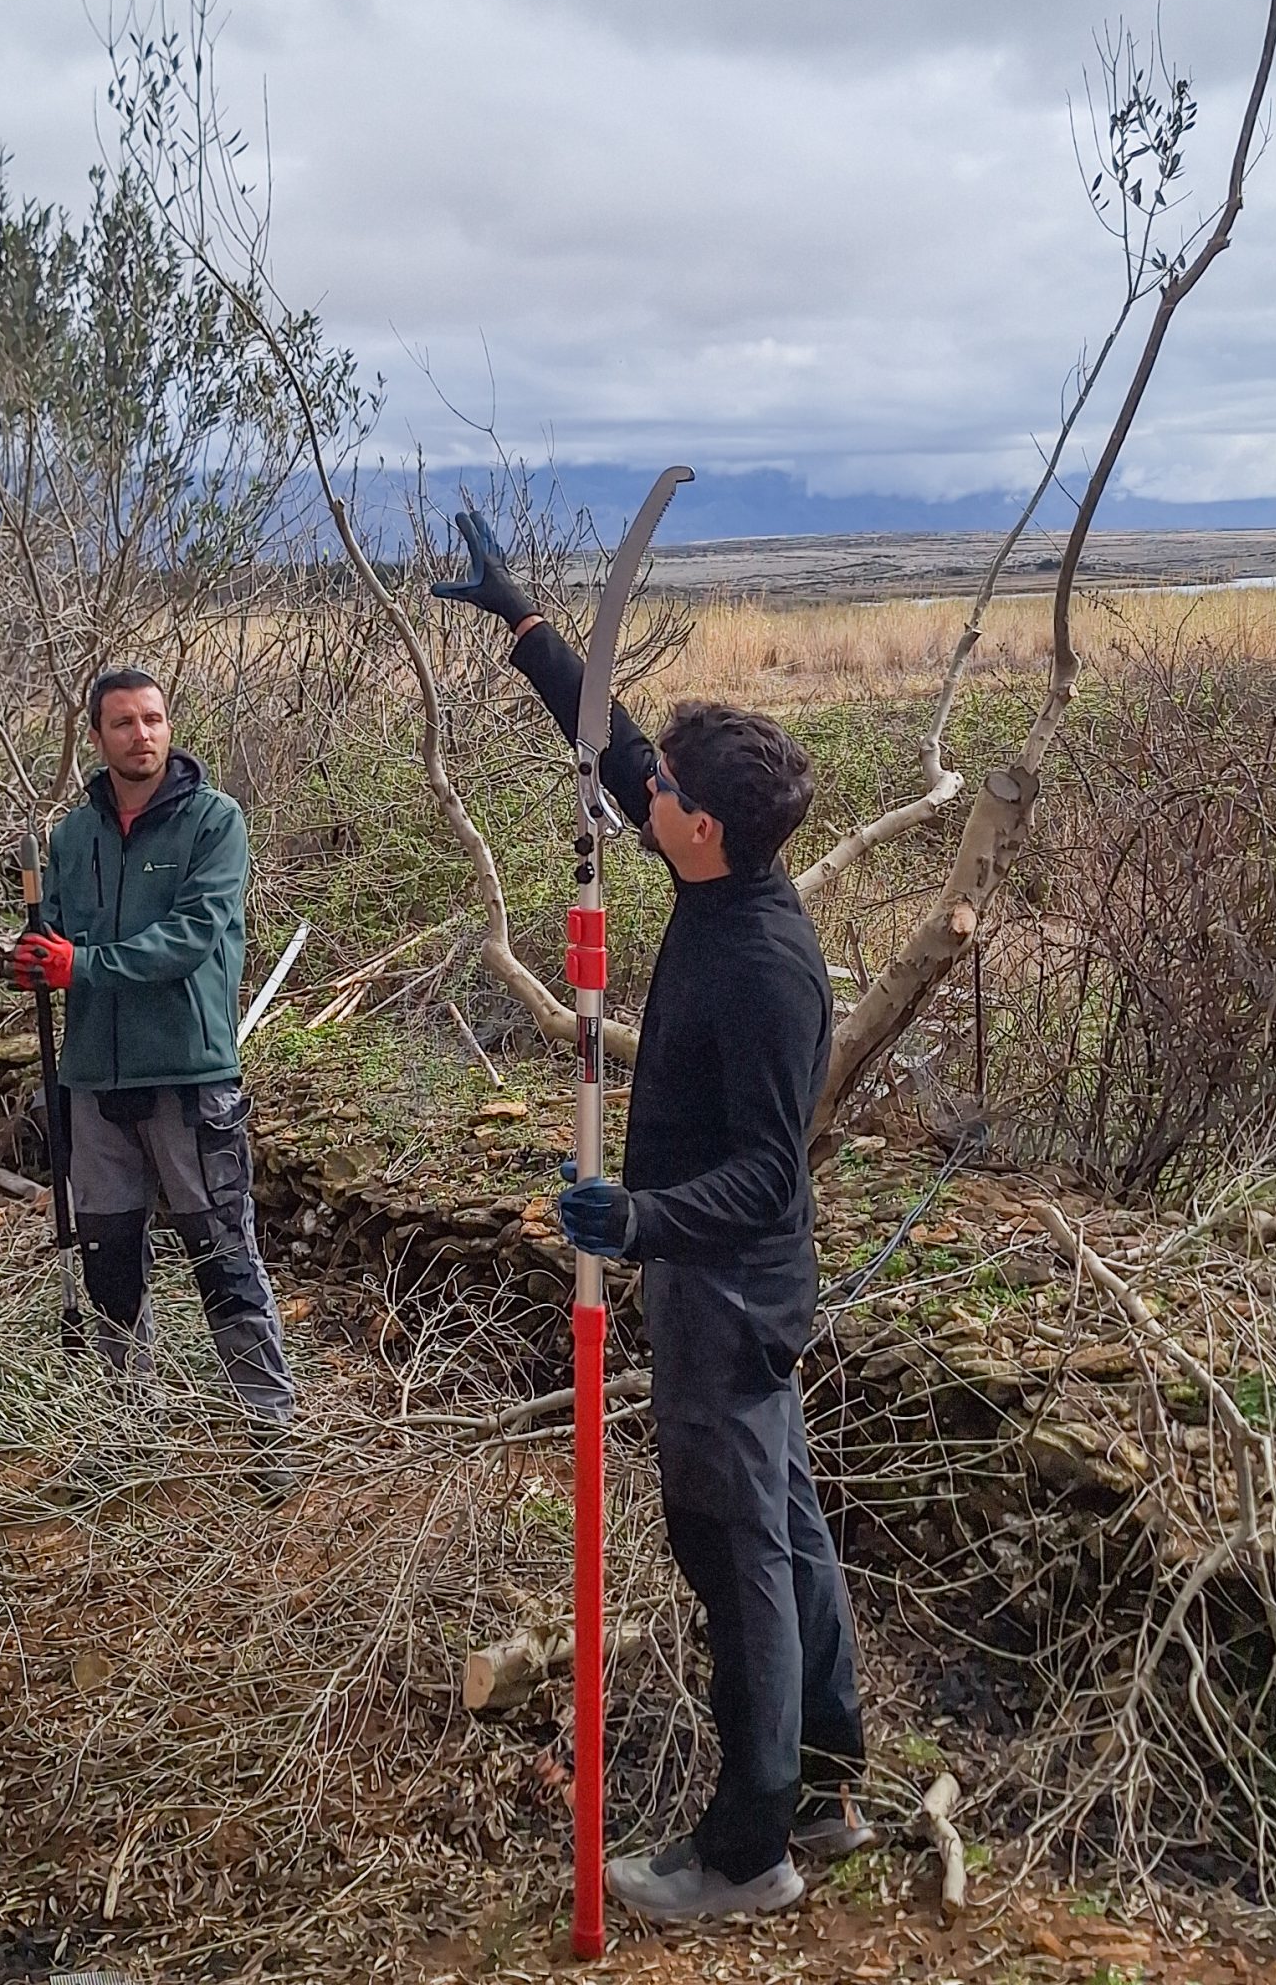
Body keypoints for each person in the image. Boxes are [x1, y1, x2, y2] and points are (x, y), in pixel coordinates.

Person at [433, 512, 869, 1925]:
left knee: (732, 1547)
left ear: (703, 825)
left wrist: (638, 1218)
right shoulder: (711, 861)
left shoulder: (761, 966)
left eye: (664, 787)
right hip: (724, 1280)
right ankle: (829, 1786)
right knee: (786, 1528)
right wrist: (525, 631)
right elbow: (608, 743)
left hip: (730, 1288)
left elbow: (769, 1176)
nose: (643, 789)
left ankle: (748, 1852)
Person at [13, 667, 297, 1493]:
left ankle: (270, 1436)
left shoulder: (215, 822)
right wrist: (30, 957)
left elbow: (193, 938)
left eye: (155, 719)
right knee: (110, 1265)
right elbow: (57, 933)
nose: (144, 734)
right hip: (92, 1085)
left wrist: (79, 965)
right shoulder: (72, 837)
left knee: (222, 1255)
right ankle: (124, 1435)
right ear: (96, 738)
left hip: (188, 1078)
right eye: (126, 723)